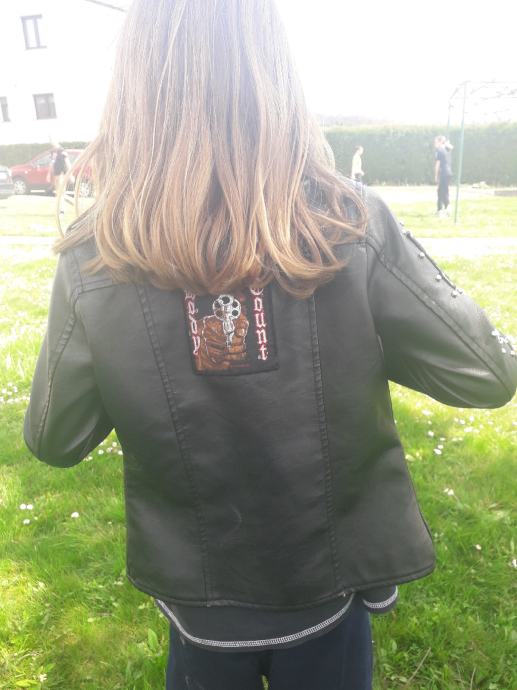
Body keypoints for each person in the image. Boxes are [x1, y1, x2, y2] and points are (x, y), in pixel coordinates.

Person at [23, 2, 517, 689]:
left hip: (200, 599)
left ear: (134, 85)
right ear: (275, 74)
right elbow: (485, 371)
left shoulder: (97, 255)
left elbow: (55, 435)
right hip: (327, 589)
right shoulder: (347, 222)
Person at [434, 135, 453, 216]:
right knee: (443, 191)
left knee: (442, 192)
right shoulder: (445, 150)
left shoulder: (439, 151)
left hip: (443, 173)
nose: (435, 144)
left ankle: (443, 209)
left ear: (440, 142)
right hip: (448, 172)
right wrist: (445, 144)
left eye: (436, 142)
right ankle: (442, 209)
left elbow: (437, 164)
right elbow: (451, 147)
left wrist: (436, 175)